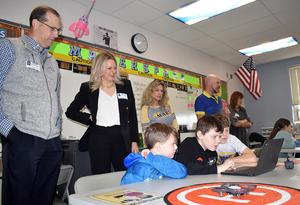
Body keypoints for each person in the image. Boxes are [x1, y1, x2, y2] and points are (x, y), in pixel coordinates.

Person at [0, 6, 63, 205]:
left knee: (44, 200)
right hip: (22, 138)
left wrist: (58, 128)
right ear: (35, 24)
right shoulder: (9, 47)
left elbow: (55, 98)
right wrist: (11, 133)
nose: (56, 34)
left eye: (59, 30)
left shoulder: (52, 62)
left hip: (52, 143)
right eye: (53, 28)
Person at [65, 51, 139, 175]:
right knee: (101, 176)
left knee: (123, 175)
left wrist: (134, 141)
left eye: (115, 68)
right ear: (99, 70)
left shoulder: (125, 85)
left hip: (121, 137)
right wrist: (88, 117)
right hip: (99, 137)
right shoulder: (88, 88)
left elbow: (132, 115)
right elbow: (71, 111)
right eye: (109, 68)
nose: (113, 71)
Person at [121, 123, 187, 185]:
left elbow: (181, 172)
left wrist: (153, 159)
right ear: (159, 147)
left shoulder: (163, 161)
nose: (176, 147)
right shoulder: (142, 167)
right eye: (173, 144)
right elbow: (127, 188)